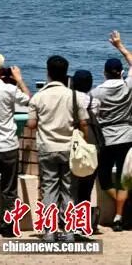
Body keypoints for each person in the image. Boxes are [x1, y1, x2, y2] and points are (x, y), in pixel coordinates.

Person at [27, 56, 89, 241]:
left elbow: (31, 124)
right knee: (69, 189)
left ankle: (49, 231)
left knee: (49, 189)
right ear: (66, 73)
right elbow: (84, 123)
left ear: (48, 72)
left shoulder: (38, 97)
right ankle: (69, 231)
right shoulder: (74, 96)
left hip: (47, 147)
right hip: (69, 148)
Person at [0, 53, 31, 238]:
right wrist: (19, 79)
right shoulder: (9, 89)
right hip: (8, 144)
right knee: (9, 188)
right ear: (1, 70)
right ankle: (8, 225)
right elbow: (28, 98)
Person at [90, 30, 132, 231]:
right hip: (128, 135)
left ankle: (119, 210)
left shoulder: (97, 92)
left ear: (105, 73)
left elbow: (92, 114)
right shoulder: (128, 86)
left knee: (104, 177)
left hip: (106, 138)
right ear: (121, 72)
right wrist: (120, 46)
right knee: (125, 179)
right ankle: (120, 214)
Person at [70, 69, 102, 234]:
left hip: (73, 145)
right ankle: (84, 222)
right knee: (87, 187)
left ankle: (71, 221)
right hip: (90, 146)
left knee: (72, 186)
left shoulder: (69, 99)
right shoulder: (94, 102)